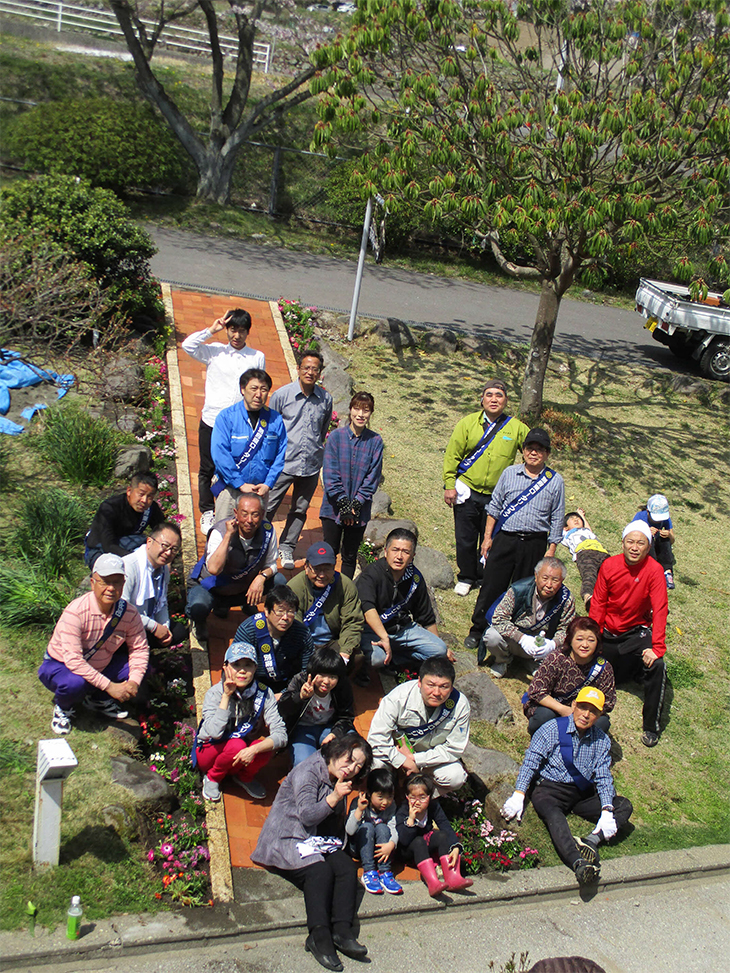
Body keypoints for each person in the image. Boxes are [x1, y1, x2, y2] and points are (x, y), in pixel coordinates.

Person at [252, 734, 373, 972]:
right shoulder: (308, 771)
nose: (351, 768)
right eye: (350, 760)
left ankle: (341, 931)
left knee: (346, 867)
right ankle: (318, 936)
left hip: (314, 838)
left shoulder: (339, 777)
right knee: (319, 872)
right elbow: (307, 815)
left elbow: (330, 824)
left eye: (358, 766)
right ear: (338, 750)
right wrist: (336, 796)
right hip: (287, 837)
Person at [501, 687, 633, 886]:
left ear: (599, 715)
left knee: (623, 805)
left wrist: (606, 809)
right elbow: (531, 762)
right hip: (550, 789)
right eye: (582, 707)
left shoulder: (602, 740)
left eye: (593, 711)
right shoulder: (551, 729)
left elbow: (604, 777)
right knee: (554, 817)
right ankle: (578, 863)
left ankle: (592, 840)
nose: (586, 714)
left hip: (581, 793)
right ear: (574, 705)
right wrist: (519, 793)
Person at [465, 428, 565, 650]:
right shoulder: (509, 473)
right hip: (506, 539)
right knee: (491, 584)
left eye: (540, 450)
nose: (534, 453)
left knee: (526, 591)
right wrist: (487, 538)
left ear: (547, 454)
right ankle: (478, 629)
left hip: (535, 544)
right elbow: (494, 507)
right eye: (530, 448)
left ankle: (515, 636)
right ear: (523, 451)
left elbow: (558, 518)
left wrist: (551, 551)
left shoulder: (555, 481)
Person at [38, 554, 149, 735]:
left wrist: (134, 682)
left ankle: (97, 699)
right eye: (104, 582)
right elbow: (73, 661)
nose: (111, 588)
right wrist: (110, 686)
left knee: (138, 669)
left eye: (117, 582)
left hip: (99, 664)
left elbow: (140, 648)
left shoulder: (129, 613)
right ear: (92, 582)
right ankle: (63, 707)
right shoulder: (76, 612)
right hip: (60, 666)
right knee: (74, 683)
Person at [181, 308, 266, 534]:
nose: (236, 335)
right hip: (211, 419)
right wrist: (212, 329)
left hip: (239, 422)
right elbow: (187, 346)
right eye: (232, 330)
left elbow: (258, 387)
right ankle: (208, 511)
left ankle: (232, 506)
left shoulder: (256, 356)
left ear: (248, 332)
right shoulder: (214, 351)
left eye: (241, 331)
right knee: (207, 467)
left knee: (237, 463)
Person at [443, 379, 529, 596]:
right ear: (482, 399)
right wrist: (449, 485)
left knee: (491, 538)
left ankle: (486, 576)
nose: (494, 399)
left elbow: (534, 448)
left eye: (499, 395)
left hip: (498, 495)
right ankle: (466, 576)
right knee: (465, 537)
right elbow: (452, 454)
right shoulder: (468, 423)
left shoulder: (516, 427)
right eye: (489, 395)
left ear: (506, 401)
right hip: (468, 489)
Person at [589, 520, 668, 748]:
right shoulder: (609, 566)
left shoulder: (654, 570)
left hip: (636, 632)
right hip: (608, 631)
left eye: (640, 543)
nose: (634, 547)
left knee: (658, 665)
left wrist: (657, 647)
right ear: (622, 543)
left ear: (648, 546)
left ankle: (651, 725)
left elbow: (661, 609)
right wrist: (594, 635)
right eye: (630, 542)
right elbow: (598, 604)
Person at [356, 527, 453, 681]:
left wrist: (440, 646)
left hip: (403, 630)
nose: (399, 556)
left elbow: (425, 616)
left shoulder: (415, 578)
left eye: (405, 552)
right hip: (372, 630)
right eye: (395, 550)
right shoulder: (372, 574)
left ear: (412, 556)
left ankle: (394, 659)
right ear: (386, 551)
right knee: (377, 659)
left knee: (439, 650)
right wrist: (384, 638)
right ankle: (376, 662)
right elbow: (368, 609)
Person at [195, 641, 287, 801]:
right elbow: (214, 733)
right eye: (236, 664)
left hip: (239, 755)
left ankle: (244, 777)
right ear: (225, 667)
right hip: (209, 753)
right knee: (237, 744)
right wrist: (226, 696)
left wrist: (254, 750)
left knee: (265, 747)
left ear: (255, 669)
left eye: (248, 665)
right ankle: (213, 778)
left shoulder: (265, 693)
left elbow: (281, 735)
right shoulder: (214, 693)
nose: (242, 671)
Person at [186, 493, 281, 644]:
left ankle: (249, 604)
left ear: (262, 514)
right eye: (244, 514)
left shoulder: (268, 532)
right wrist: (228, 536)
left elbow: (272, 564)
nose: (249, 520)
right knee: (198, 606)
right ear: (236, 513)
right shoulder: (219, 531)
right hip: (211, 587)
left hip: (242, 586)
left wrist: (261, 578)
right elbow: (214, 569)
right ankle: (200, 622)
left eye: (255, 515)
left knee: (279, 581)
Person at [268, 350, 333, 568]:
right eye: (306, 367)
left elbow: (322, 431)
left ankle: (287, 548)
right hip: (283, 464)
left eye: (315, 368)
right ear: (298, 369)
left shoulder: (326, 399)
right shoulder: (282, 396)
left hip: (311, 466)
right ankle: (260, 545)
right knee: (268, 506)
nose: (310, 372)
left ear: (319, 373)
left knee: (299, 509)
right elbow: (271, 430)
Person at [367, 657, 470, 794]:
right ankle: (379, 799)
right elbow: (376, 738)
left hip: (429, 760)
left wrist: (417, 759)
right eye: (431, 685)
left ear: (451, 688)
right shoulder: (398, 698)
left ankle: (419, 798)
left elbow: (454, 748)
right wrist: (402, 760)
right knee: (375, 765)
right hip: (394, 753)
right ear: (420, 682)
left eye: (444, 686)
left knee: (456, 776)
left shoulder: (460, 705)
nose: (436, 692)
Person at [320, 391, 383, 579]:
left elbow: (372, 478)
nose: (361, 414)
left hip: (359, 510)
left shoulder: (375, 441)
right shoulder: (336, 437)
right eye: (357, 408)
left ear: (371, 413)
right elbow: (330, 474)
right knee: (329, 552)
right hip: (333, 508)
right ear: (350, 410)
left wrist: (355, 505)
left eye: (366, 410)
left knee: (349, 556)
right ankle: (324, 590)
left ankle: (344, 594)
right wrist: (343, 505)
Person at [211, 368, 287, 522]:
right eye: (254, 388)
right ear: (242, 389)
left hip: (259, 492)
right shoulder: (227, 417)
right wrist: (239, 483)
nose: (258, 394)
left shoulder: (275, 420)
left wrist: (268, 484)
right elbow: (220, 454)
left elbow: (280, 455)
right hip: (230, 489)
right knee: (223, 534)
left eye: (263, 389)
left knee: (254, 537)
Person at [479, 556, 576, 678]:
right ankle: (503, 661)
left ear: (562, 581)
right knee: (492, 636)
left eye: (555, 580)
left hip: (544, 643)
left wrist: (553, 644)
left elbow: (567, 629)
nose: (549, 585)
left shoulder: (566, 599)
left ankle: (535, 662)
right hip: (516, 639)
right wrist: (522, 638)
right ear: (536, 576)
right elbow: (499, 619)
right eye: (545, 578)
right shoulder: (518, 589)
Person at [524, 617, 616, 735]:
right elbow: (536, 691)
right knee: (544, 717)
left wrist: (582, 712)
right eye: (579, 639)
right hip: (553, 707)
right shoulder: (557, 658)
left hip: (584, 714)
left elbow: (607, 703)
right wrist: (563, 709)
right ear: (570, 640)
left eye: (591, 640)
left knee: (602, 724)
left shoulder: (603, 668)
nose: (585, 645)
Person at [396, 773, 473, 896]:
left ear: (430, 796)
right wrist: (411, 819)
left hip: (424, 847)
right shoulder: (403, 810)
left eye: (422, 797)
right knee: (418, 841)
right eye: (412, 797)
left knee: (441, 835)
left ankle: (453, 877)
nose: (417, 802)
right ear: (407, 797)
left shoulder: (433, 806)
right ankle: (432, 882)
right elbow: (404, 840)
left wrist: (455, 846)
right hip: (408, 851)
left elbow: (445, 825)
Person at [288, 542, 363, 666]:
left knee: (357, 658)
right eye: (316, 569)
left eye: (327, 568)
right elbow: (293, 624)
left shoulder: (345, 586)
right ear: (306, 567)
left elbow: (353, 622)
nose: (322, 575)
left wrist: (344, 653)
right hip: (305, 642)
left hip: (332, 642)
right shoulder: (294, 587)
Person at [278, 646, 356, 765]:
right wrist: (300, 697)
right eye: (322, 675)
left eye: (332, 677)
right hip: (302, 730)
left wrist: (335, 733)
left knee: (353, 750)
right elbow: (283, 709)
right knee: (304, 763)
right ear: (313, 673)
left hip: (330, 727)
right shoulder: (300, 681)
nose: (327, 681)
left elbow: (347, 716)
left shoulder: (342, 686)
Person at [233, 584, 314, 693]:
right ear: (266, 611)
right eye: (280, 611)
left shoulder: (302, 634)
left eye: (290, 612)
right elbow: (235, 667)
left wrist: (285, 694)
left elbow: (306, 672)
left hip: (287, 688)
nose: (285, 618)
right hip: (252, 687)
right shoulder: (248, 630)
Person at [122, 521, 188, 648]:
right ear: (149, 542)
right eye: (164, 545)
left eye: (173, 549)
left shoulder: (163, 571)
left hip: (144, 623)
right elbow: (121, 610)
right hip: (124, 625)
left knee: (178, 631)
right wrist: (154, 627)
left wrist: (164, 627)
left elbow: (162, 603)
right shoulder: (128, 567)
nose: (168, 553)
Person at [84, 473, 165, 568]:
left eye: (150, 497)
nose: (144, 500)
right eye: (141, 494)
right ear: (129, 491)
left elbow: (162, 533)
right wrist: (134, 561)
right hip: (101, 548)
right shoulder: (109, 508)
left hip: (129, 545)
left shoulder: (151, 508)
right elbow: (108, 545)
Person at [345, 766, 402, 895]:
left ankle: (384, 872)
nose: (385, 802)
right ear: (370, 793)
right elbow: (350, 830)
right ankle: (369, 871)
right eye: (380, 797)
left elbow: (393, 827)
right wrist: (359, 810)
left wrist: (391, 844)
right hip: (358, 847)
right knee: (368, 827)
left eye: (390, 797)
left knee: (383, 827)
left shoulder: (391, 806)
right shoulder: (359, 803)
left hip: (379, 850)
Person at [560, 508, 610, 607]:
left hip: (602, 552)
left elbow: (587, 527)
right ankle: (588, 597)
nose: (576, 519)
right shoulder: (567, 534)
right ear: (565, 527)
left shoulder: (586, 530)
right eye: (572, 518)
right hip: (584, 553)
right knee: (589, 574)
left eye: (577, 518)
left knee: (612, 574)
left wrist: (581, 515)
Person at [635, 494, 676, 589]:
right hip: (645, 547)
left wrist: (669, 535)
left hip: (659, 546)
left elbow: (672, 541)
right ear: (648, 512)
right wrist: (646, 531)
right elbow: (632, 536)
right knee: (648, 539)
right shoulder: (640, 516)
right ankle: (652, 570)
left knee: (664, 539)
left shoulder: (666, 520)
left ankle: (667, 571)